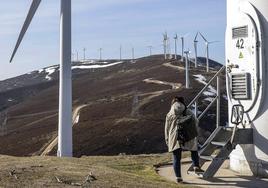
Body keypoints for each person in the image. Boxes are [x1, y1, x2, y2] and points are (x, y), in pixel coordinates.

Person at [165, 97, 203, 183]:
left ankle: (179, 178)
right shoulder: (187, 110)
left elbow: (166, 129)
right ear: (182, 102)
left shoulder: (169, 114)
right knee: (194, 149)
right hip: (187, 135)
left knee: (176, 158)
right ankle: (196, 166)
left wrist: (167, 140)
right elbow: (196, 121)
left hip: (175, 137)